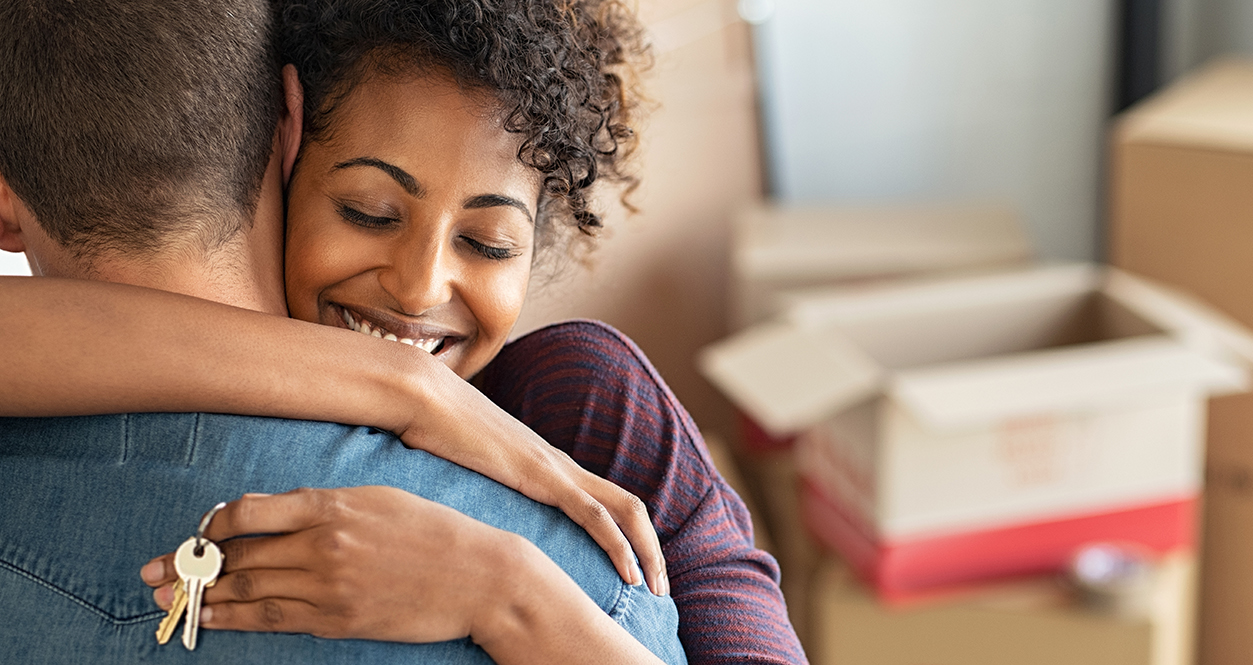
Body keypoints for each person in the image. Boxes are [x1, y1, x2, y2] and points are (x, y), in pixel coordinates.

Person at [0, 0, 806, 662]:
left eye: (488, 244)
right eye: (367, 213)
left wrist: (507, 592)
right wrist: (406, 388)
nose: (418, 286)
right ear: (286, 147)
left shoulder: (589, 402)